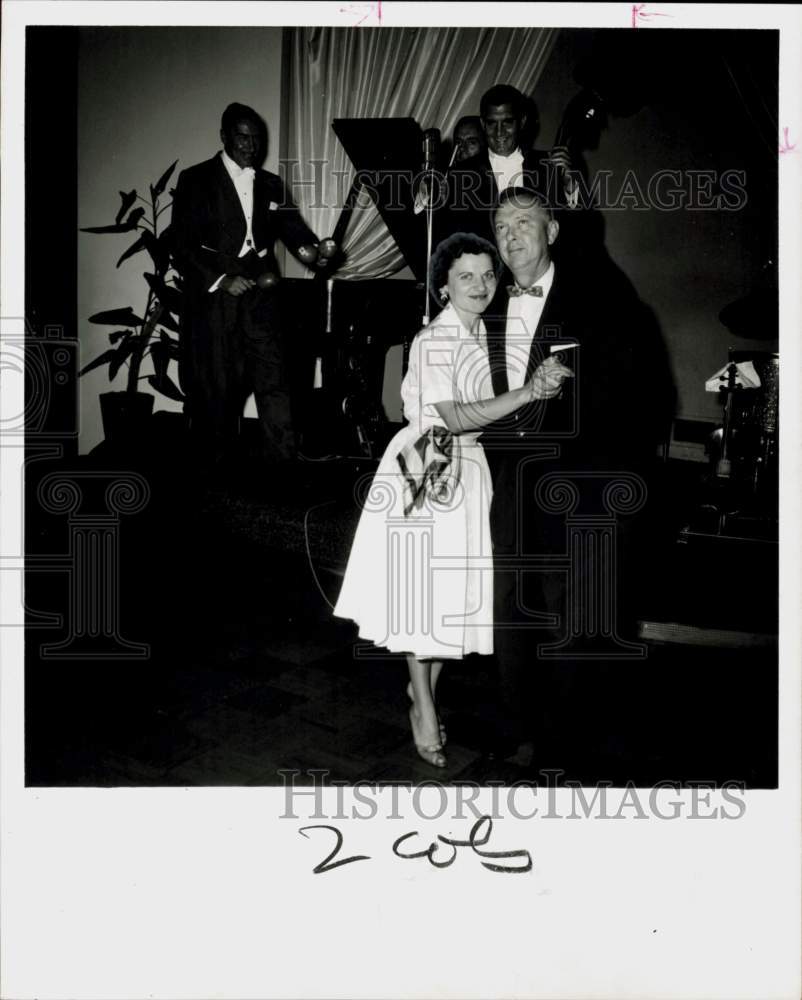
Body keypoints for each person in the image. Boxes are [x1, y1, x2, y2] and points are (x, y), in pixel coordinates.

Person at [333, 232, 572, 769]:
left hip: (467, 466)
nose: (481, 285)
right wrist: (529, 391)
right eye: (466, 276)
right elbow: (457, 417)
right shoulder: (435, 339)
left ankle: (423, 692)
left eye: (489, 275)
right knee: (424, 595)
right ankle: (422, 703)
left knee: (453, 592)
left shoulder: (481, 335)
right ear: (443, 286)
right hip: (428, 459)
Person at [481, 187, 672, 763]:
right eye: (501, 226)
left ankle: (565, 739)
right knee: (512, 604)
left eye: (524, 223)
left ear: (553, 232)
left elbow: (641, 395)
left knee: (571, 615)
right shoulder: (484, 304)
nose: (511, 236)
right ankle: (520, 729)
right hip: (510, 480)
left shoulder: (602, 298)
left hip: (574, 482)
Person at [171, 102, 331, 472]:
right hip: (217, 301)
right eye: (243, 137)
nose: (251, 145)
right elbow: (180, 244)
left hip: (262, 297)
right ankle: (219, 482)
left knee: (275, 379)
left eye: (256, 138)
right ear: (224, 136)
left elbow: (297, 235)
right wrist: (222, 279)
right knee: (219, 389)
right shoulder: (196, 180)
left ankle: (283, 469)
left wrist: (315, 255)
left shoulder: (271, 184)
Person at [438, 84, 577, 244]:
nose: (499, 132)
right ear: (483, 124)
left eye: (507, 122)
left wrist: (569, 185)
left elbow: (574, 231)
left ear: (522, 121)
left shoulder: (547, 165)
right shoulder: (459, 174)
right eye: (492, 123)